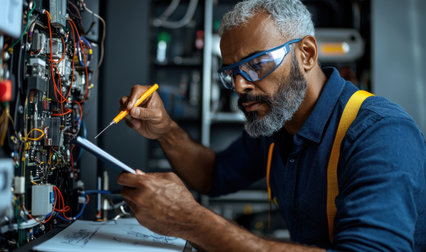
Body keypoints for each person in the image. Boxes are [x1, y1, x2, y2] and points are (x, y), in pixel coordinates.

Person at [117, 0, 426, 251]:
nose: (239, 86)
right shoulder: (277, 121)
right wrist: (165, 130)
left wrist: (190, 221)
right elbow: (213, 174)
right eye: (232, 72)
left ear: (306, 54)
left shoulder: (380, 134)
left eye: (255, 65)